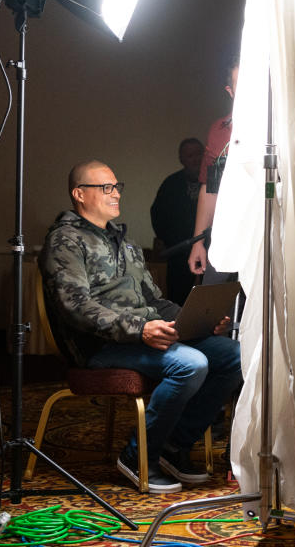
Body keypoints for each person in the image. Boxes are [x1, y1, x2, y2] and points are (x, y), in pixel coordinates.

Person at [40, 160, 242, 494]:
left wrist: (198, 322)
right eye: (106, 188)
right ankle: (137, 456)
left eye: (117, 186)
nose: (115, 193)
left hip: (141, 336)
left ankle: (175, 446)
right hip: (98, 347)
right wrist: (140, 330)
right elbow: (75, 307)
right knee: (191, 364)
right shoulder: (65, 241)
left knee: (232, 355)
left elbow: (156, 301)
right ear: (79, 194)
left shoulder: (126, 243)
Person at [188, 54, 239, 283]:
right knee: (213, 306)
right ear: (230, 90)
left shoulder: (278, 126)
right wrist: (198, 241)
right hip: (227, 235)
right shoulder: (220, 130)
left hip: (267, 234)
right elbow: (210, 189)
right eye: (241, 85)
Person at [150, 137, 204, 306]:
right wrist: (173, 242)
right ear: (181, 159)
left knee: (210, 301)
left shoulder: (215, 183)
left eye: (198, 154)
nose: (195, 159)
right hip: (179, 255)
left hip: (212, 255)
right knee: (178, 304)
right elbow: (158, 216)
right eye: (190, 155)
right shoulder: (171, 185)